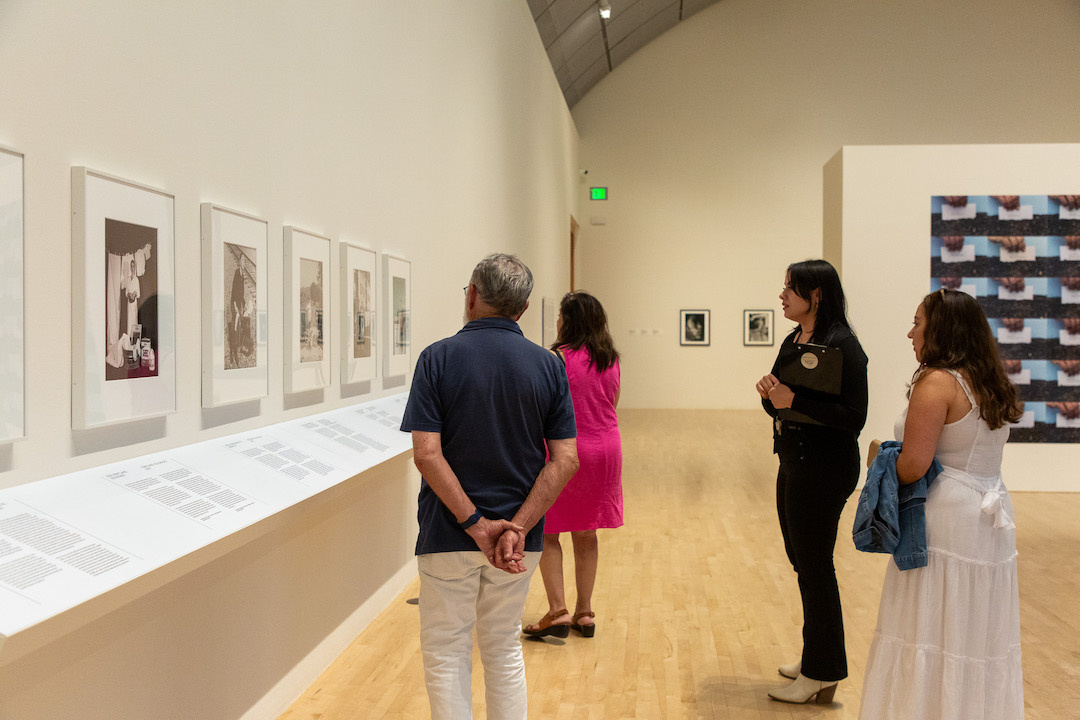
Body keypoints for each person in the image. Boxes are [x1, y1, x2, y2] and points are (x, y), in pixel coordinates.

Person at [400, 253, 580, 720]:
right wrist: (515, 529)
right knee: (502, 648)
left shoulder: (437, 358)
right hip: (520, 543)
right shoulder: (548, 365)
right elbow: (565, 460)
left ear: (473, 295)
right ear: (521, 310)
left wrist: (476, 525)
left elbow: (426, 454)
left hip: (447, 532)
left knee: (446, 651)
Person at [858, 288, 1024, 719]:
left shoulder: (937, 381)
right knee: (975, 636)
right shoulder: (988, 380)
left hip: (946, 523)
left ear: (942, 330)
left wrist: (879, 456)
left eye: (918, 322)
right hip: (990, 518)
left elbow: (914, 465)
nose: (910, 332)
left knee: (928, 630)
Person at [755, 259, 868, 704]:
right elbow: (782, 404)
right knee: (803, 561)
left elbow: (853, 418)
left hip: (826, 468)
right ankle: (815, 652)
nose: (782, 295)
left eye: (790, 288)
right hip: (794, 461)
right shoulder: (793, 339)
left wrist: (792, 398)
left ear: (815, 294)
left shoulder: (844, 345)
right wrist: (771, 396)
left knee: (816, 565)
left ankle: (823, 670)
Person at [522, 292, 622, 639]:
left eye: (561, 317)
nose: (558, 323)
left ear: (570, 320)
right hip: (605, 449)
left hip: (565, 450)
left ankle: (558, 610)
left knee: (549, 529)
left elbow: (544, 409)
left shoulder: (557, 359)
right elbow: (612, 403)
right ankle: (585, 611)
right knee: (586, 531)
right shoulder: (610, 359)